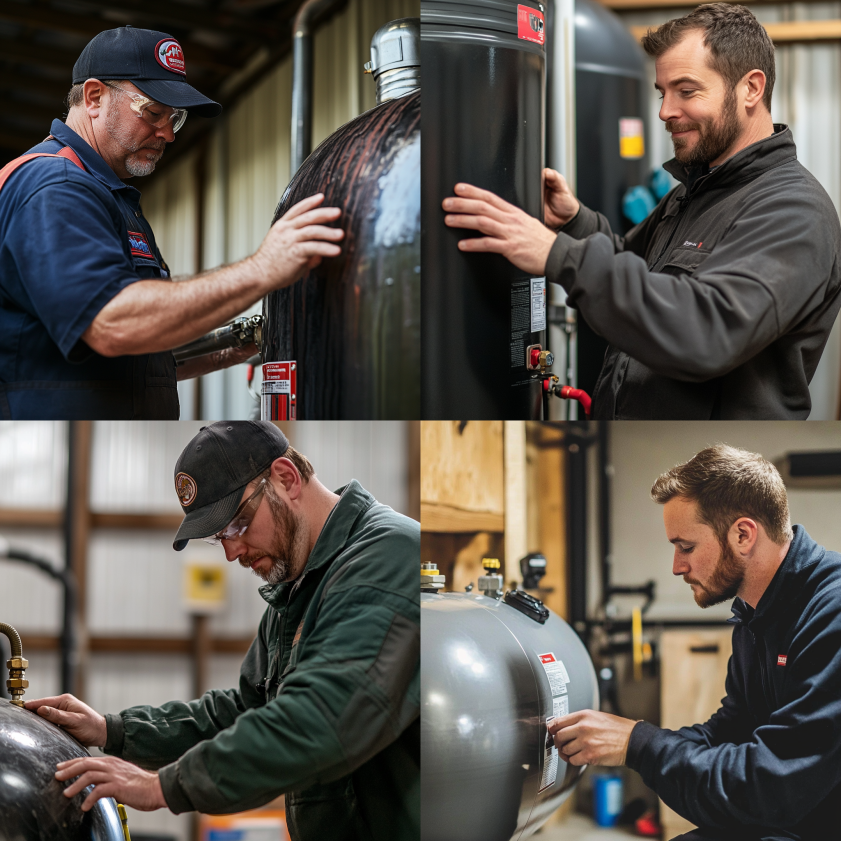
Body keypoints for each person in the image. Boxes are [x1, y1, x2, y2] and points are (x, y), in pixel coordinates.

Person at [442, 3, 841, 420]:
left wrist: (556, 254)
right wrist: (574, 222)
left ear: (751, 89)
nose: (665, 111)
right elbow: (630, 264)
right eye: (662, 92)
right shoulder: (694, 192)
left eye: (686, 91)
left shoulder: (794, 211)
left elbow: (708, 332)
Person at [24, 421, 419, 841]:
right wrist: (113, 730)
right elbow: (244, 712)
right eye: (220, 537)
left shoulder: (386, 559)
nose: (231, 552)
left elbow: (320, 718)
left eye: (238, 525)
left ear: (286, 478)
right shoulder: (301, 586)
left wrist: (161, 787)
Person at [0, 28, 344, 419]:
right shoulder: (56, 186)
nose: (167, 133)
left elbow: (131, 354)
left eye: (175, 118)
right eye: (153, 113)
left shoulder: (110, 194)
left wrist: (226, 348)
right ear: (94, 97)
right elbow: (111, 323)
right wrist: (263, 268)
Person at [547, 444, 841, 841]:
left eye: (686, 547)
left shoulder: (831, 612)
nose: (676, 566)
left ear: (743, 535)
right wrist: (629, 739)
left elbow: (772, 786)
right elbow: (734, 729)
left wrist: (639, 744)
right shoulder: (754, 616)